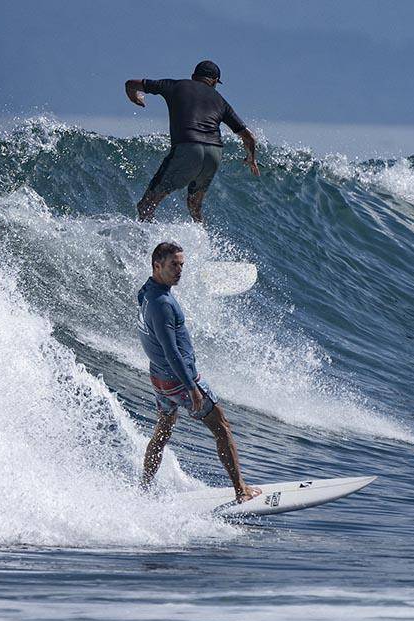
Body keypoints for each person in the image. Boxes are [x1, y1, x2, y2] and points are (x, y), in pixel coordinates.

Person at [137, 242, 261, 503]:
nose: (179, 270)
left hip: (159, 381)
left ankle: (144, 488)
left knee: (162, 432)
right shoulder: (163, 304)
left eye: (182, 264)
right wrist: (192, 388)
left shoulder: (146, 292)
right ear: (157, 265)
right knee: (222, 428)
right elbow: (172, 352)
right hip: (179, 381)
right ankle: (241, 490)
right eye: (174, 265)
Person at [124, 60, 260, 223]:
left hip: (188, 147)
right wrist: (251, 159)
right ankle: (201, 238)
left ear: (193, 76)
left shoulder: (175, 85)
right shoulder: (221, 101)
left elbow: (131, 84)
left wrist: (135, 98)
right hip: (214, 154)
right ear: (215, 81)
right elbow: (249, 137)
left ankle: (148, 238)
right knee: (194, 206)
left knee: (146, 205)